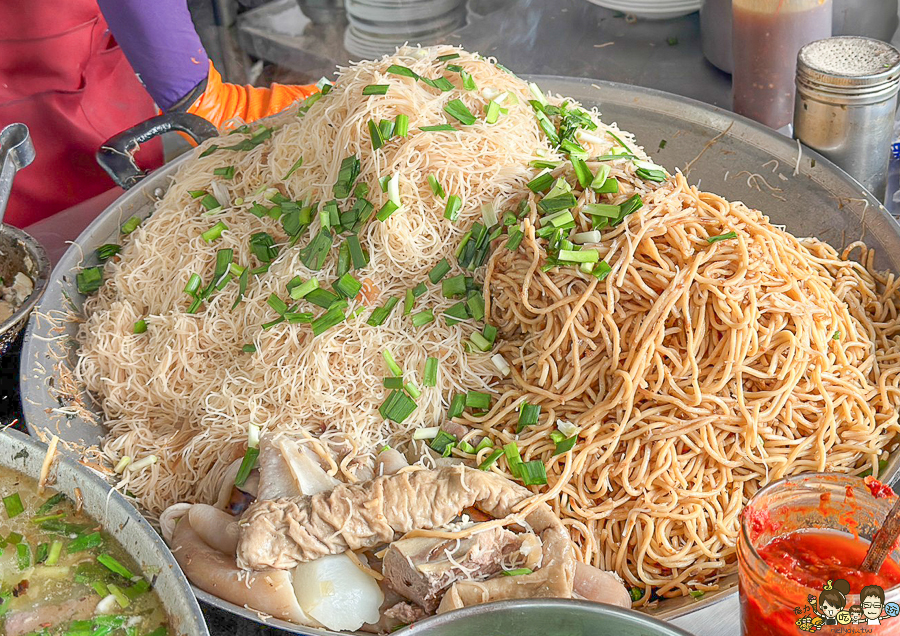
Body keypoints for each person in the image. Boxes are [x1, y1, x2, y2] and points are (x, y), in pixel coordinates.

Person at [0, 0, 316, 229]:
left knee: (142, 199)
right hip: (30, 77)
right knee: (68, 239)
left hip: (96, 45)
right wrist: (200, 96)